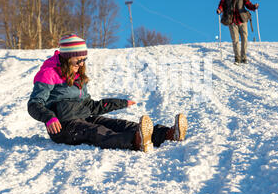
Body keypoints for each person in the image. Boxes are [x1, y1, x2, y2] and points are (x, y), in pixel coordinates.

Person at [27, 34, 188, 153]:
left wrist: (120, 103)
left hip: (84, 116)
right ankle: (136, 140)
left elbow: (90, 106)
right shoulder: (48, 73)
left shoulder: (78, 76)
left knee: (120, 124)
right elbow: (34, 104)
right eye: (78, 60)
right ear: (66, 58)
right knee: (97, 132)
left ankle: (167, 134)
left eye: (84, 60)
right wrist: (49, 117)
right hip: (64, 126)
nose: (81, 64)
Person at [217, 0, 259, 64]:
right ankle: (237, 58)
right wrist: (219, 10)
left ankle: (244, 57)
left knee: (244, 39)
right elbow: (221, 5)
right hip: (231, 20)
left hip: (242, 19)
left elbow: (248, 4)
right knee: (235, 40)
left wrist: (254, 7)